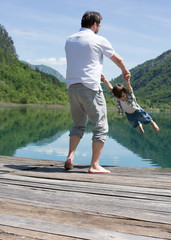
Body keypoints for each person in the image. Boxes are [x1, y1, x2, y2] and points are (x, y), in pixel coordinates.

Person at [64, 11, 131, 173]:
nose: (99, 28)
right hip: (90, 87)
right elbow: (118, 59)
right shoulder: (98, 39)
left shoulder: (69, 39)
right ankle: (94, 165)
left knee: (78, 124)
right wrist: (124, 71)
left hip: (72, 87)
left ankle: (70, 156)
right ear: (95, 24)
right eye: (99, 25)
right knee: (100, 126)